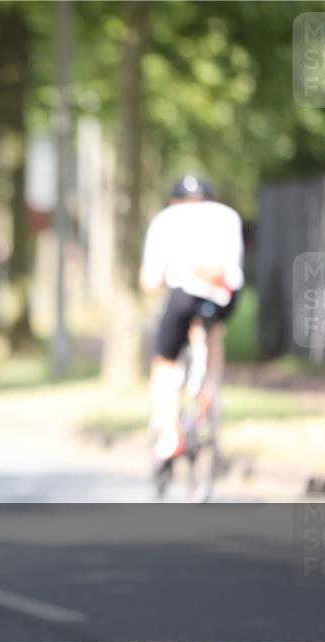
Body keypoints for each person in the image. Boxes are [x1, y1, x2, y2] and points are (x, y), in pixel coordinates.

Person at [139, 175, 244, 463]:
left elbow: (149, 279)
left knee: (164, 361)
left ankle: (170, 432)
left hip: (184, 293)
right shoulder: (227, 216)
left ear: (174, 201)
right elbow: (231, 268)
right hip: (226, 295)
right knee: (212, 333)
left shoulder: (166, 219)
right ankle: (209, 389)